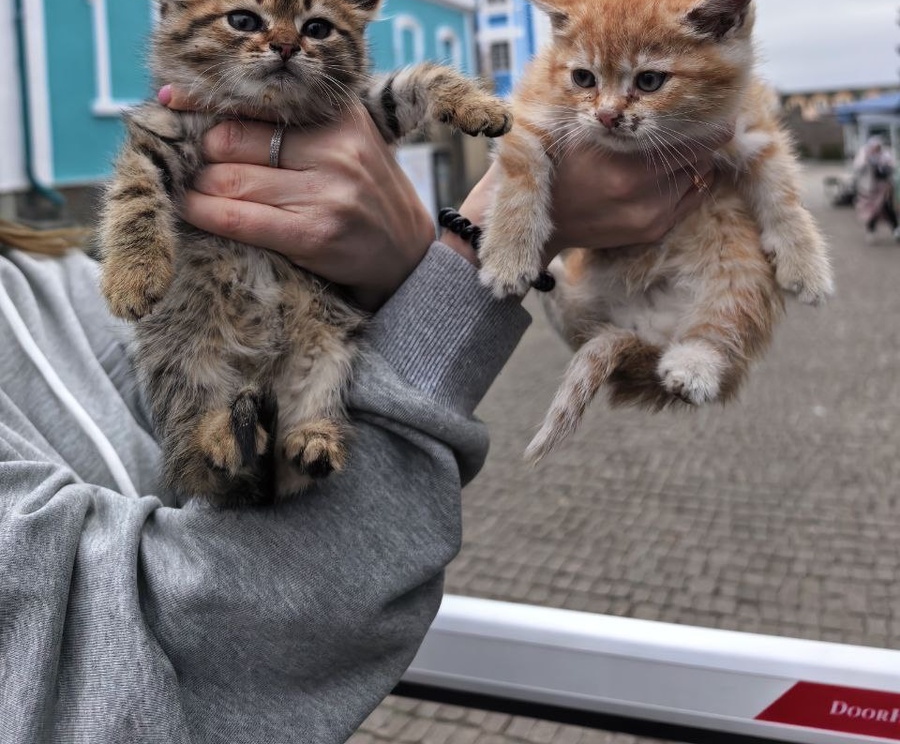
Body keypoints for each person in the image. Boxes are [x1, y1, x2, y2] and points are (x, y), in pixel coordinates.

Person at [0, 95, 721, 744]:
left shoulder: (43, 279)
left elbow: (217, 366)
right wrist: (483, 240)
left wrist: (385, 277)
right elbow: (181, 645)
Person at [853, 134, 899, 243]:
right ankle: (871, 231)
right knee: (871, 211)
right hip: (869, 188)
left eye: (878, 146)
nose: (877, 148)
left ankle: (896, 229)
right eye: (875, 146)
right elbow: (858, 167)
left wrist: (885, 166)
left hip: (883, 187)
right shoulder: (864, 153)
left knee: (887, 207)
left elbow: (892, 166)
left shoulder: (885, 154)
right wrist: (868, 159)